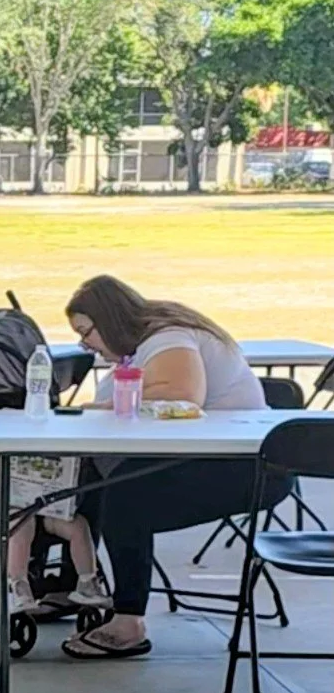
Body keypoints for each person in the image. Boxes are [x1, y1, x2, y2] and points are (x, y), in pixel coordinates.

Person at [61, 275, 290, 661]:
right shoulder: (140, 349)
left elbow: (183, 396)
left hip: (250, 468)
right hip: (218, 459)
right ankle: (72, 586)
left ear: (111, 321)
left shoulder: (168, 337)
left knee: (124, 495)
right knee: (89, 477)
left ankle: (128, 621)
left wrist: (101, 407)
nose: (86, 345)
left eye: (86, 333)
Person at [0, 455, 111, 615]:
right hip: (13, 514)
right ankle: (20, 586)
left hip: (47, 512)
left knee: (79, 525)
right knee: (22, 527)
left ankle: (87, 581)